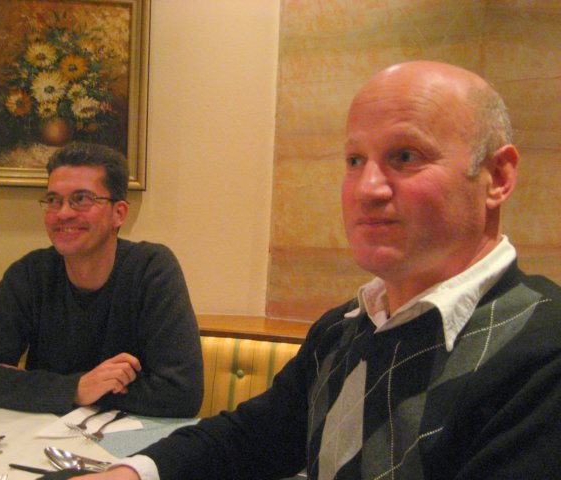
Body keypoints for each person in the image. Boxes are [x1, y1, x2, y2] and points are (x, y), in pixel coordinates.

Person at [74, 61, 561, 480]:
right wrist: (133, 472)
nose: (367, 188)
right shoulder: (344, 328)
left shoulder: (544, 353)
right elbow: (253, 437)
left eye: (405, 156)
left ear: (498, 177)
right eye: (355, 159)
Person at [0, 142, 204, 417]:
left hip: (131, 440)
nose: (63, 213)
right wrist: (76, 388)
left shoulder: (151, 269)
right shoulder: (32, 273)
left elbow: (182, 393)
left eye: (82, 199)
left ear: (118, 214)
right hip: (41, 440)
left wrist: (34, 387)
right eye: (53, 200)